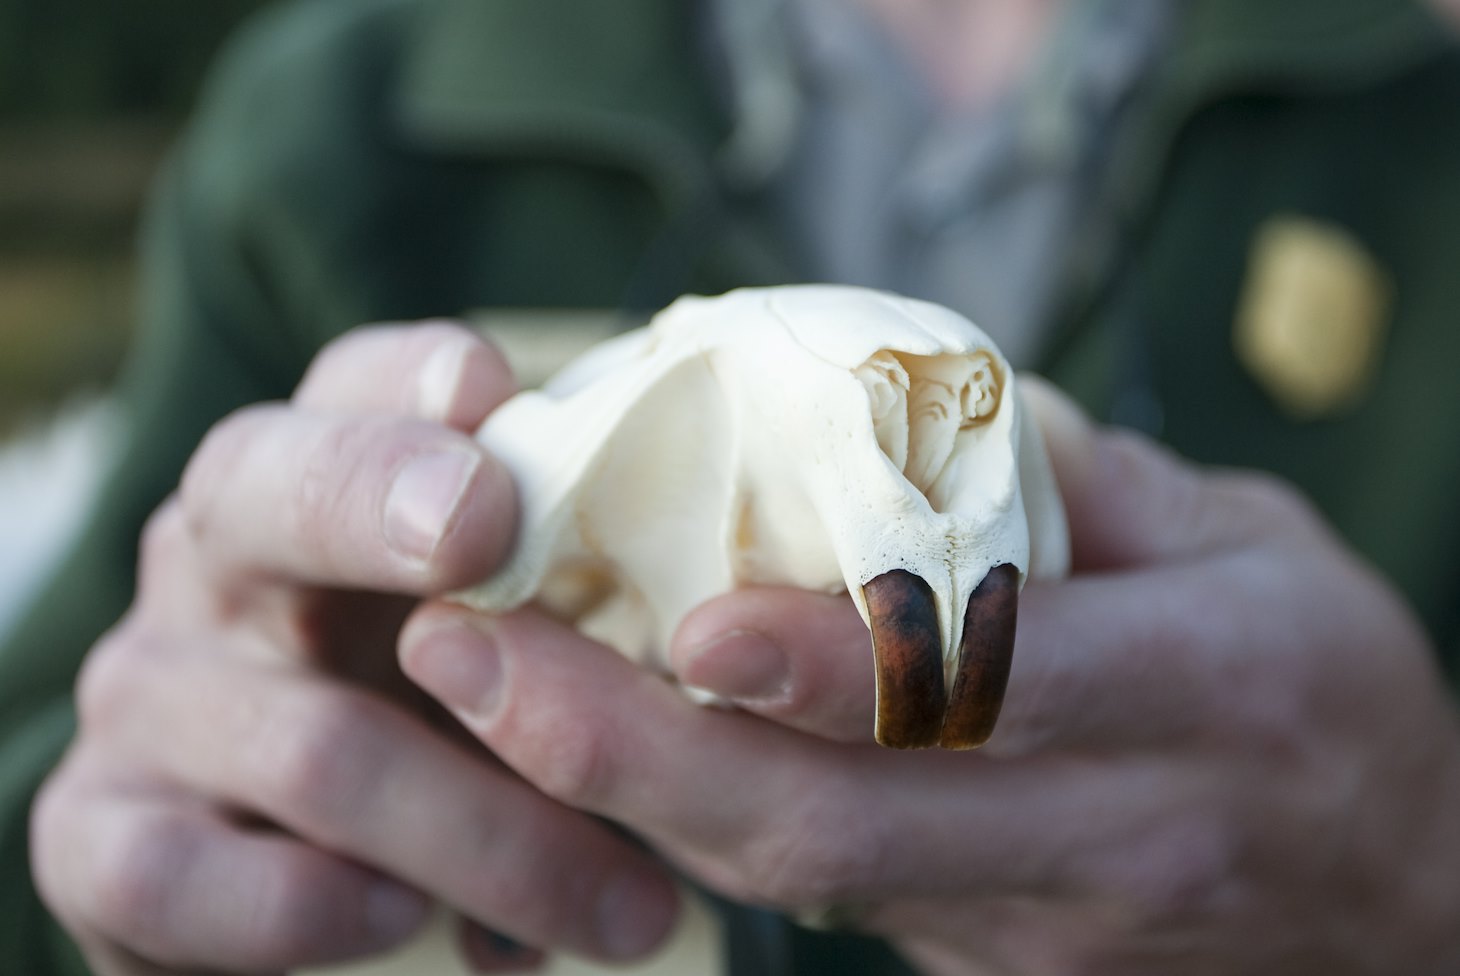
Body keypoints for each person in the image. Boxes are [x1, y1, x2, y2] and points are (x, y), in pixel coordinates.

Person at [6, 0, 1460, 972]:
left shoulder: (1421, 113)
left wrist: (1422, 870)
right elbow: (57, 762)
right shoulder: (336, 130)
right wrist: (121, 862)